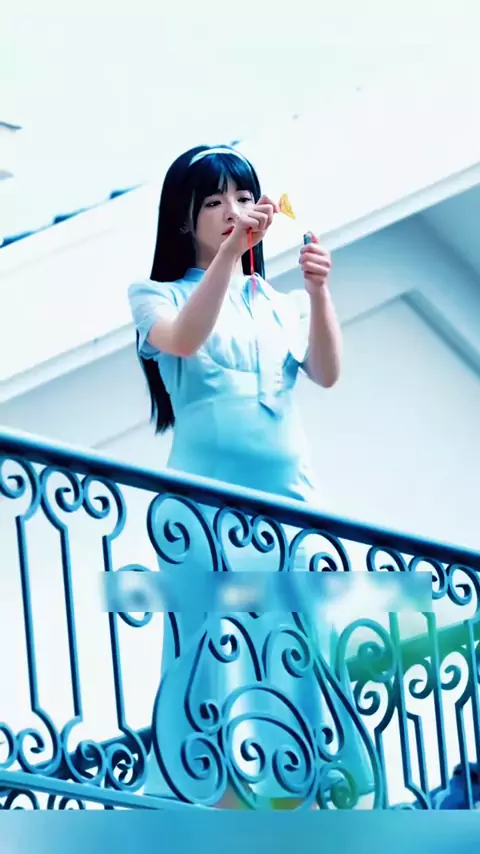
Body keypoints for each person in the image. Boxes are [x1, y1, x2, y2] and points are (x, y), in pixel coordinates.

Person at [128, 144, 372, 809]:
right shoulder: (156, 295)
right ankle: (218, 798)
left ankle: (305, 790)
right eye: (213, 202)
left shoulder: (279, 302)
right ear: (185, 220)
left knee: (299, 648)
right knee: (215, 653)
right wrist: (232, 258)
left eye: (242, 197)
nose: (232, 210)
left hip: (291, 510)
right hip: (204, 519)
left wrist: (319, 292)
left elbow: (326, 373)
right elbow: (184, 339)